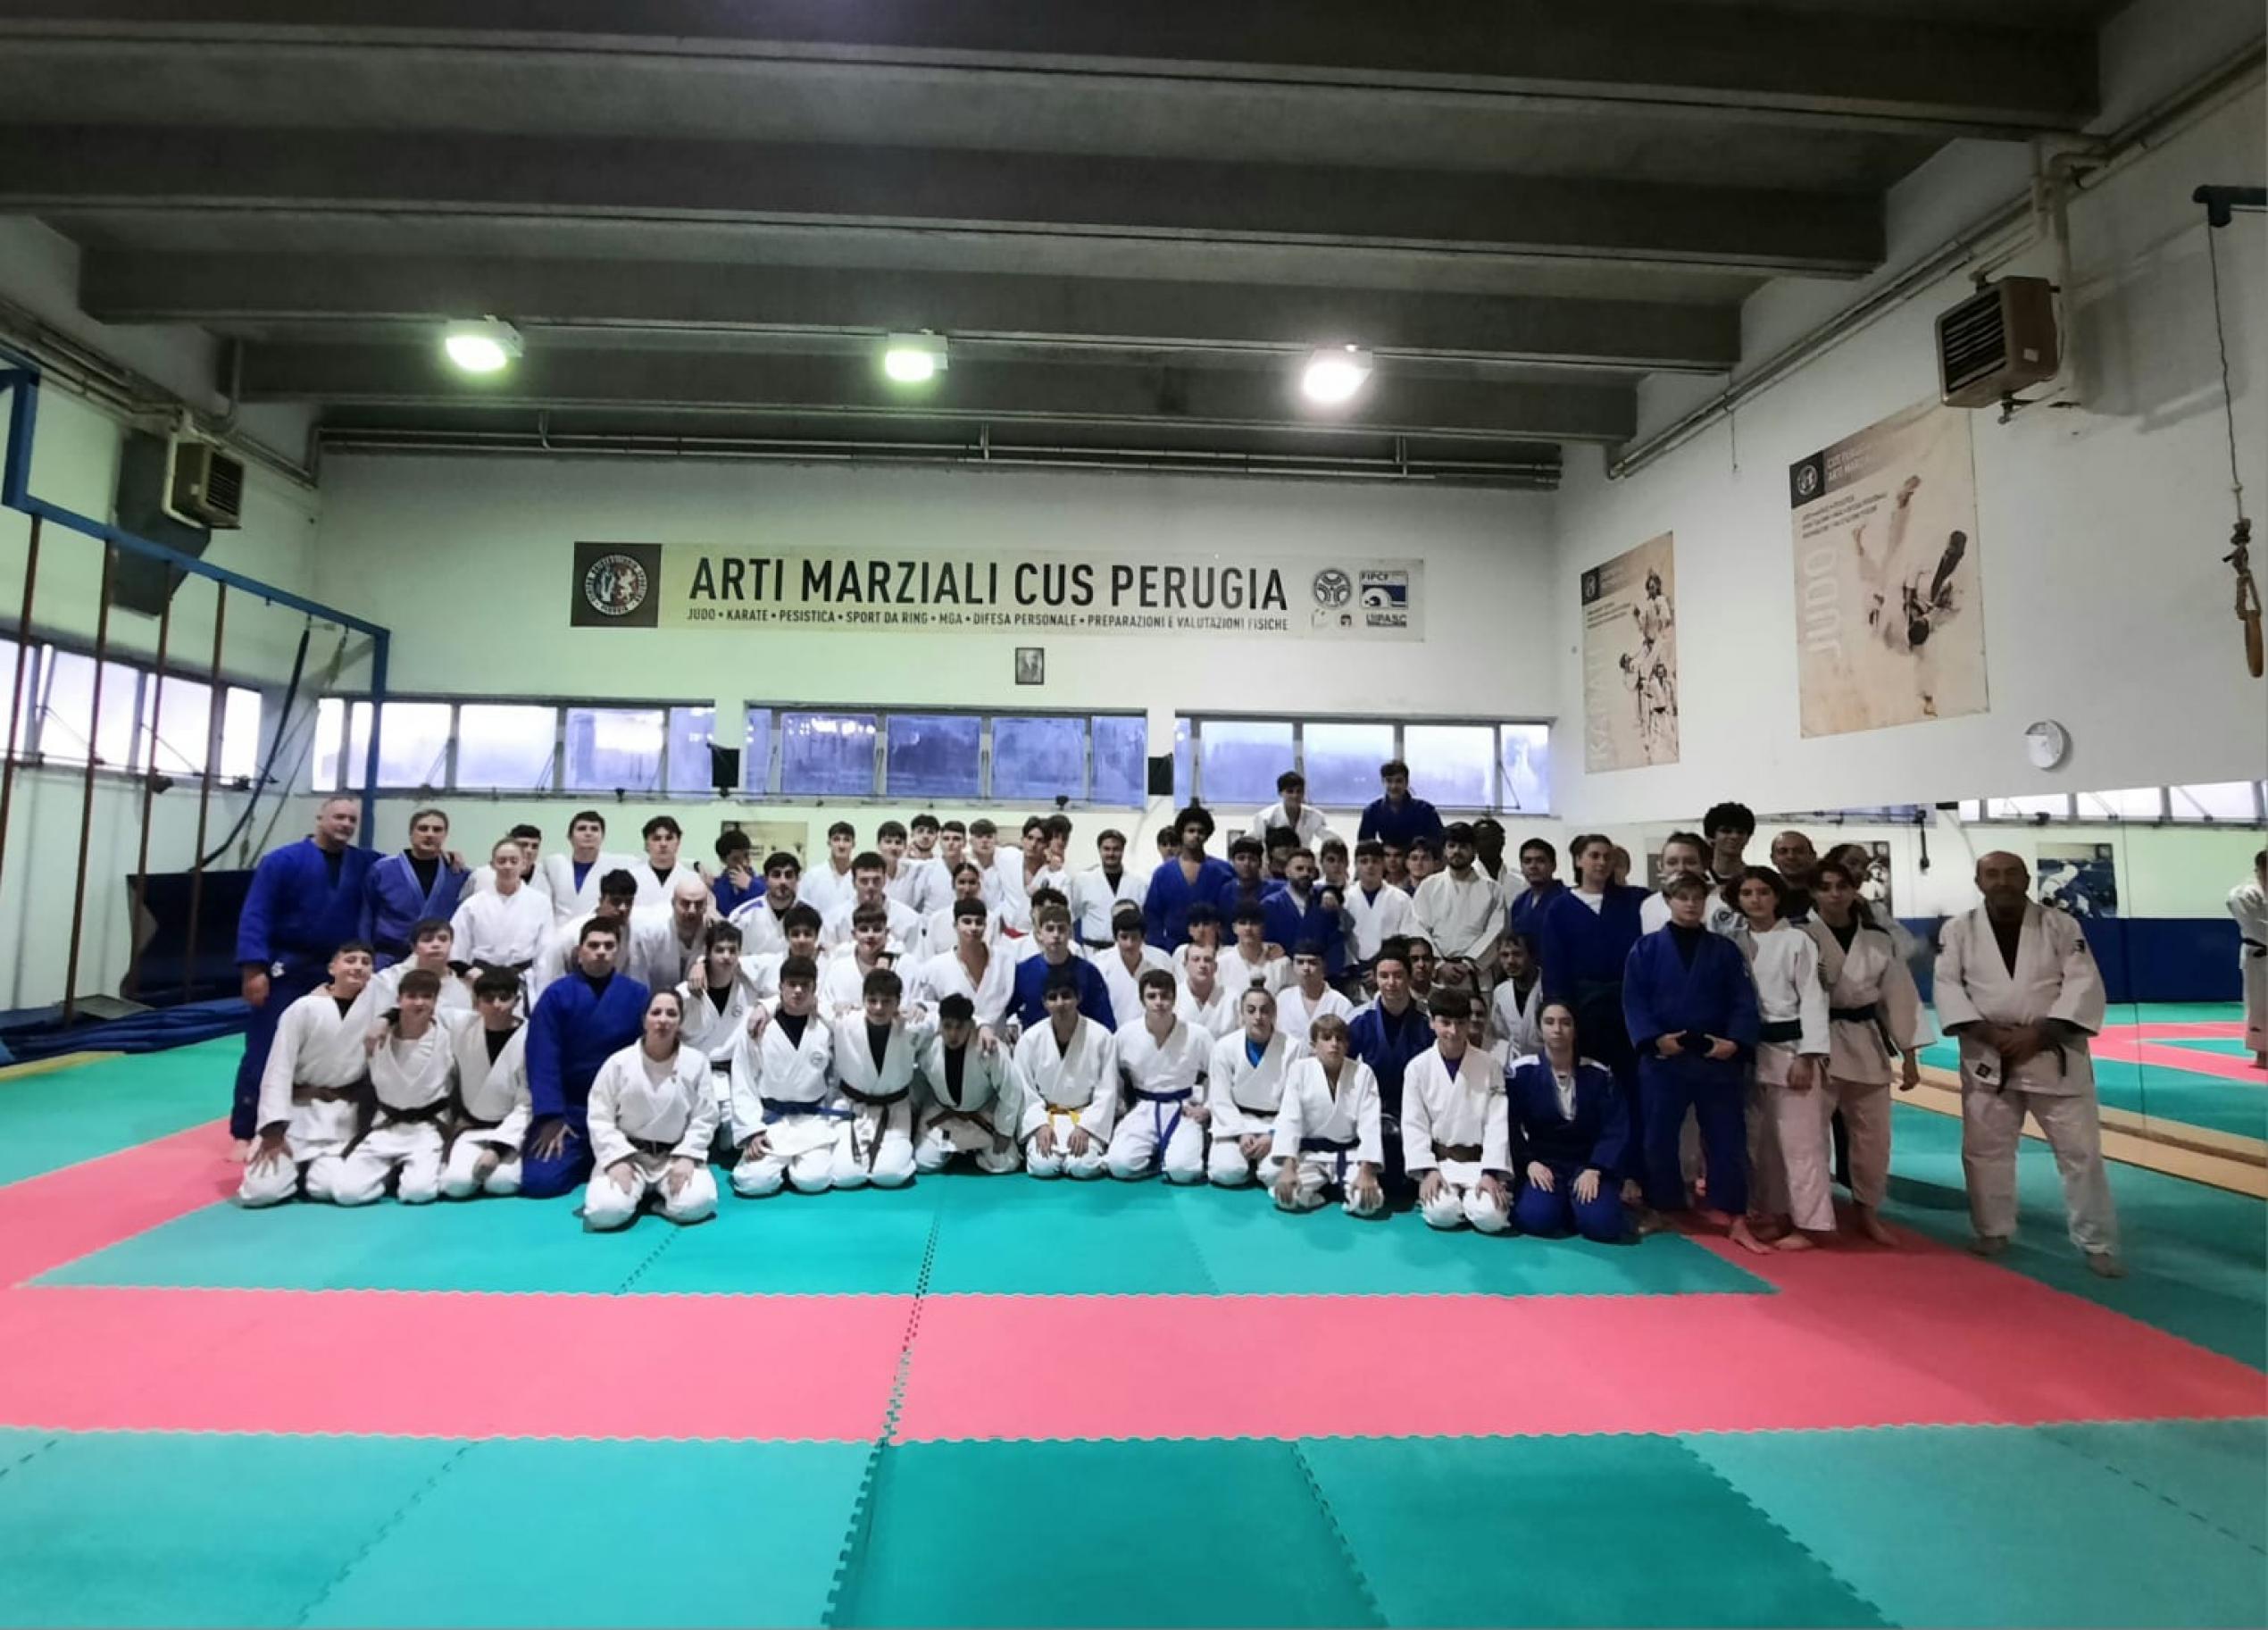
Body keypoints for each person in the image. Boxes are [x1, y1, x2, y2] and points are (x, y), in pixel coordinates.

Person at [1935, 851, 2122, 1276]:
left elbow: (2082, 982)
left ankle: (2097, 1242)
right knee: (1985, 1150)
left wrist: (2041, 1033)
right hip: (1988, 1051)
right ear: (1979, 882)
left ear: (2026, 879)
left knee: (2081, 1153)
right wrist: (1986, 1032)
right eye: (1992, 874)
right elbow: (1947, 985)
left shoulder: (2061, 925)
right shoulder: (1959, 929)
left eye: (2011, 873)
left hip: (2052, 1050)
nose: (2002, 881)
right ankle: (1992, 1229)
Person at [1623, 873, 1762, 1250]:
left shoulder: (1725, 950)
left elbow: (1742, 1000)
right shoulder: (1645, 949)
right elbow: (1634, 1000)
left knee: (1727, 1138)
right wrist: (1653, 1039)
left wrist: (1735, 1043)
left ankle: (1735, 1215)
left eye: (1696, 898)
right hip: (1664, 1058)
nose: (1689, 904)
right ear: (1668, 900)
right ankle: (1661, 1207)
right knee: (1657, 1138)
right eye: (1682, 897)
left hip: (1716, 1058)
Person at [232, 796, 377, 1149]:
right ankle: (246, 1129)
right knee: (266, 1045)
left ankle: (323, 1119)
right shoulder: (282, 861)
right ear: (320, 816)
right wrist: (253, 968)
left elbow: (410, 865)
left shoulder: (363, 862)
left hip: (340, 969)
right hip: (288, 966)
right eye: (339, 817)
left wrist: (449, 859)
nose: (345, 824)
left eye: (351, 819)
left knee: (338, 1047)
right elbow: (256, 913)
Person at [1804, 858, 1930, 1246]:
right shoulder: (1800, 935)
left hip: (1865, 1041)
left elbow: (1899, 998)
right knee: (1809, 1136)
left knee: (1873, 1137)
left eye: (1842, 886)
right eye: (1825, 887)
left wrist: (1910, 1055)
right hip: (1815, 1042)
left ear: (1854, 890)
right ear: (1813, 893)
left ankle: (1868, 1210)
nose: (1834, 894)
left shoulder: (1878, 939)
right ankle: (1812, 1216)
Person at [1537, 834, 1650, 1187]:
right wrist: (1559, 1016)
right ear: (1578, 860)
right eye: (1594, 856)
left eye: (1607, 857)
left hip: (1628, 1011)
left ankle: (1632, 1174)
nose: (1601, 863)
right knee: (1589, 1091)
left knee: (1632, 1093)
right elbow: (1554, 967)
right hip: (1582, 1012)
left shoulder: (1635, 901)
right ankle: (1588, 1171)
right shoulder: (1560, 907)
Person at [1730, 867, 1830, 1250]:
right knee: (1763, 1145)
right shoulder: (1734, 942)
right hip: (1752, 1052)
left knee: (1801, 1144)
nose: (1755, 899)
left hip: (1792, 1050)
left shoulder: (1798, 940)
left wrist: (1808, 1055)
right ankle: (1775, 1214)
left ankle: (1811, 1225)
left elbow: (1814, 998)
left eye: (1763, 892)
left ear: (1777, 897)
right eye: (1747, 893)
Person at [238, 940, 379, 1207]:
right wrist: (273, 1128)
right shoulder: (304, 1008)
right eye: (350, 960)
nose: (358, 967)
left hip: (341, 1117)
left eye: (366, 962)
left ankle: (305, 1174)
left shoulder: (374, 1007)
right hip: (296, 1115)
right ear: (332, 968)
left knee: (329, 1189)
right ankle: (291, 1169)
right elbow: (278, 1068)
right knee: (259, 1194)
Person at [521, 917, 652, 1199]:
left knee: (642, 1180)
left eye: (608, 946)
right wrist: (551, 1115)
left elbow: (650, 1055)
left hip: (622, 1112)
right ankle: (587, 1157)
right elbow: (542, 1058)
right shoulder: (556, 996)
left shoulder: (637, 995)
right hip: (572, 1112)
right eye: (593, 945)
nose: (601, 952)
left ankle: (600, 1158)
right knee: (540, 1182)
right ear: (579, 951)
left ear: (618, 951)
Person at [580, 988, 719, 1231]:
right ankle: (633, 1194)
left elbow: (705, 1117)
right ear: (644, 1020)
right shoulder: (619, 1063)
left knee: (699, 1203)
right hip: (630, 1155)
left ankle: (660, 1206)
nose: (663, 1020)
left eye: (671, 1014)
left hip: (674, 1156)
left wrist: (688, 1155)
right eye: (656, 1013)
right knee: (604, 1213)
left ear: (680, 1022)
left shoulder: (696, 1063)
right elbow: (600, 1116)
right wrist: (616, 1159)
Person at [326, 966, 454, 1205]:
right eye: (412, 996)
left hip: (427, 1128)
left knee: (418, 1193)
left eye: (426, 997)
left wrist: (387, 1017)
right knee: (347, 1194)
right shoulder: (375, 1037)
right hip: (386, 1125)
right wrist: (386, 1018)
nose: (419, 1003)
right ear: (399, 1000)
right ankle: (391, 1175)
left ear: (436, 1002)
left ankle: (403, 1173)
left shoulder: (448, 1035)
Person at [1507, 1002, 1630, 1242]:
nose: (1557, 1029)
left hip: (1586, 1162)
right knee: (1535, 1219)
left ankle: (1577, 1206)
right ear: (1539, 1029)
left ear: (1575, 1029)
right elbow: (1509, 1124)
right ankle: (1563, 1205)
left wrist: (1596, 1168)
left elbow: (1615, 1127)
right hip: (1543, 1163)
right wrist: (1529, 1162)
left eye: (1565, 1023)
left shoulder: (1598, 1074)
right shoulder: (1521, 1072)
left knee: (1604, 1225)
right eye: (1549, 1022)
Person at [725, 955, 844, 1198]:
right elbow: (743, 1081)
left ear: (815, 989)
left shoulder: (826, 1027)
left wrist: (831, 1116)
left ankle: (791, 1167)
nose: (798, 991)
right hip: (771, 1120)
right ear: (780, 987)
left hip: (811, 1120)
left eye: (805, 985)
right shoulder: (758, 1027)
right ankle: (782, 1165)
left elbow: (837, 1077)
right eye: (792, 984)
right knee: (752, 1182)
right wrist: (752, 1130)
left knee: (815, 1181)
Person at [1401, 989, 1512, 1233]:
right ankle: (1456, 1203)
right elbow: (1413, 1123)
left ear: (1469, 1024)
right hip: (1440, 1163)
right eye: (1445, 1023)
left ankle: (1473, 1202)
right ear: (1432, 1022)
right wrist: (1428, 1170)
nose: (1453, 1031)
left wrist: (1490, 1172)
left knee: (1491, 1218)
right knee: (1442, 1213)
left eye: (1460, 1023)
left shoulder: (1489, 1065)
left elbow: (1497, 1122)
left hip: (1479, 1162)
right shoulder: (1417, 1068)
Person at [1271, 1014, 1385, 1216]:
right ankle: (1325, 1193)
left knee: (1368, 1204)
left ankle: (1343, 1190)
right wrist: (1288, 1167)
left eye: (1340, 1039)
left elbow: (1370, 1125)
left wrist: (1366, 1171)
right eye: (1326, 1038)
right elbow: (1290, 1119)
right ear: (1314, 1045)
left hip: (1350, 1155)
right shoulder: (1300, 1070)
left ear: (1347, 1045)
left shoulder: (1363, 1072)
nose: (1334, 1044)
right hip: (1311, 1156)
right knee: (1286, 1198)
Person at [1106, 968, 1213, 1182]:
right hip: (1143, 1108)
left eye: (1165, 996)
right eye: (1152, 996)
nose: (1159, 1002)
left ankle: (1186, 1150)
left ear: (1174, 998)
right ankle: (1155, 1158)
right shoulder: (1126, 1034)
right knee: (1120, 1165)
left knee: (1183, 1171)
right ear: (1142, 1000)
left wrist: (1208, 1108)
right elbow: (1110, 1077)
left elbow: (1218, 1075)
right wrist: (1119, 1108)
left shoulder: (1198, 1035)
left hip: (1183, 1108)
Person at [821, 967, 921, 1190]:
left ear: (898, 1003)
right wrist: (765, 1007)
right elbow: (807, 1003)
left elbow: (950, 1015)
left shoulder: (911, 1026)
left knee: (890, 1175)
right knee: (845, 1176)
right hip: (851, 1106)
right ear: (863, 1000)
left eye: (886, 1002)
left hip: (894, 1110)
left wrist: (982, 1026)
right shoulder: (845, 1020)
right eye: (872, 1000)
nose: (878, 1008)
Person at [1014, 965, 1118, 1179]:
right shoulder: (1030, 1039)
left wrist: (1087, 1127)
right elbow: (1025, 1090)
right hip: (1048, 1117)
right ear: (1044, 1002)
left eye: (1066, 996)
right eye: (1053, 998)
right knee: (1044, 1167)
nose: (1060, 1003)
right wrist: (1039, 1125)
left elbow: (1107, 1091)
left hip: (1085, 1116)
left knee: (1082, 1167)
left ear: (1079, 998)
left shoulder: (1101, 1037)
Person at [1348, 940, 1430, 1205]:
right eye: (1384, 976)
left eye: (1398, 975)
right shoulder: (1360, 1021)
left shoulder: (1426, 1024)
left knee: (1402, 1189)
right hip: (1370, 1113)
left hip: (1415, 1114)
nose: (1391, 983)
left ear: (1409, 977)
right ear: (1375, 978)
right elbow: (1344, 1074)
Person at [1203, 985, 1307, 1187]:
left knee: (1274, 1176)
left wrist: (1273, 1135)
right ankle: (1247, 1165)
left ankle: (1259, 1166)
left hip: (1276, 1123)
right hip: (1236, 1122)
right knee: (1227, 1172)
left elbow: (1295, 1101)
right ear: (1241, 1014)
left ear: (1274, 1014)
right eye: (1251, 1010)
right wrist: (1240, 1132)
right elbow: (1219, 1098)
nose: (1258, 1017)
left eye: (1264, 1010)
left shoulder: (1294, 1048)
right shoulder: (1224, 1047)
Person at [441, 969, 531, 1200]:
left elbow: (527, 1103)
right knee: (456, 1186)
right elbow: (420, 1007)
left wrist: (497, 1149)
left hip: (511, 1131)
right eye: (488, 999)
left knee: (502, 1183)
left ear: (517, 1001)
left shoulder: (530, 1036)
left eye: (504, 998)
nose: (496, 1005)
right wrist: (387, 1019)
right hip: (472, 1127)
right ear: (477, 1002)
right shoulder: (462, 1026)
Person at [914, 993, 1023, 1174]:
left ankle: (972, 1152)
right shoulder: (928, 1046)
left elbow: (1010, 1088)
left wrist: (1004, 1131)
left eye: (960, 1027)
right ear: (940, 1024)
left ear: (971, 1025)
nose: (953, 1034)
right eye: (947, 1026)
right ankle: (955, 1151)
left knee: (1007, 1163)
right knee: (923, 1162)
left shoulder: (988, 1048)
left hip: (981, 1115)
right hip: (943, 1115)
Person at [678, 920, 759, 1151]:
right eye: (720, 950)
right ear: (707, 953)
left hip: (733, 1075)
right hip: (692, 1075)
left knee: (730, 1140)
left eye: (732, 950)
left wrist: (766, 1007)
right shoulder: (684, 994)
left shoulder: (749, 989)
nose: (726, 957)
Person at [447, 837, 553, 1007]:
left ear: (524, 864)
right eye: (502, 861)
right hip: (481, 979)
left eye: (514, 861)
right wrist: (468, 972)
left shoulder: (541, 902)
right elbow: (456, 948)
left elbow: (545, 952)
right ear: (493, 865)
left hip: (521, 979)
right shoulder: (473, 904)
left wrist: (543, 991)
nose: (508, 866)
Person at [360, 807, 467, 966]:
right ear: (411, 833)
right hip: (388, 958)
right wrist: (365, 954)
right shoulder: (382, 870)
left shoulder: (457, 873)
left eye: (437, 830)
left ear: (445, 835)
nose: (430, 834)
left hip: (436, 959)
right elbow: (366, 916)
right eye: (423, 829)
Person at [909, 896, 1018, 1030]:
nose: (973, 927)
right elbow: (926, 1004)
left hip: (996, 1038)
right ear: (955, 926)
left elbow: (1015, 1004)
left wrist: (1013, 1024)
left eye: (979, 922)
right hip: (954, 1038)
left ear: (986, 926)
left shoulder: (1005, 960)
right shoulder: (936, 966)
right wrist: (922, 1007)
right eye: (967, 922)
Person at [1413, 822, 1505, 980]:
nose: (1456, 851)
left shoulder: (1492, 889)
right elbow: (1419, 927)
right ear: (1444, 850)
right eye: (1451, 846)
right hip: (1437, 973)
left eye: (1463, 846)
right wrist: (1439, 964)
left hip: (1477, 974)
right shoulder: (1429, 886)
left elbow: (1495, 931)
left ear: (1474, 850)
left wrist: (1468, 963)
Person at [533, 867, 641, 998]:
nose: (623, 908)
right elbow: (549, 975)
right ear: (601, 900)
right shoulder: (571, 933)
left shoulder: (632, 931)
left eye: (628, 902)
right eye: (616, 901)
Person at [1011, 903, 1115, 1032]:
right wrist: (1011, 1025)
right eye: (1050, 929)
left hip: (1081, 1040)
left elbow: (1105, 1020)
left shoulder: (1088, 972)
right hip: (1036, 1042)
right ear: (1039, 934)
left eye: (1061, 929)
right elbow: (1006, 1011)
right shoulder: (1023, 972)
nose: (1056, 934)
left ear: (1070, 932)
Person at [538, 810, 638, 926]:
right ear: (569, 836)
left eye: (594, 829)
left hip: (598, 930)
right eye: (582, 829)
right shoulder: (553, 864)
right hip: (559, 931)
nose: (588, 833)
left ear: (602, 837)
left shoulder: (622, 864)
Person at [821, 852, 925, 953]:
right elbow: (827, 958)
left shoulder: (909, 919)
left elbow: (917, 959)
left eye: (876, 880)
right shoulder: (834, 920)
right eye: (864, 881)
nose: (870, 886)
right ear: (853, 883)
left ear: (884, 880)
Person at [1263, 848, 1345, 974]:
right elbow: (1267, 945)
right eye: (1299, 869)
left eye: (1310, 870)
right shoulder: (1270, 905)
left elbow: (1335, 942)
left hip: (1322, 976)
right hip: (1285, 975)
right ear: (1287, 871)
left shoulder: (1325, 902)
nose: (1305, 873)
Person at [369, 917, 472, 1017]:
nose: (436, 944)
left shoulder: (464, 988)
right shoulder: (389, 980)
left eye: (443, 939)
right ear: (414, 947)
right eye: (427, 940)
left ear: (451, 944)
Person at [1094, 907, 1175, 1029]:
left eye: (1134, 937)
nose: (1129, 944)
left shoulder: (1161, 961)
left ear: (1143, 937)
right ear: (1116, 938)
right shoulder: (1100, 964)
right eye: (1124, 937)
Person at [1345, 840, 1416, 976]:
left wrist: (1380, 968)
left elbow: (1406, 936)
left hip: (1390, 970)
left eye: (1375, 861)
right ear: (1355, 865)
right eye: (1364, 861)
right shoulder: (1345, 899)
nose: (1370, 866)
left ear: (1383, 864)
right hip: (1352, 971)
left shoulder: (1401, 899)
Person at [1072, 828, 1148, 950]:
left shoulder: (1139, 882)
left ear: (1123, 850)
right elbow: (1074, 913)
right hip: (1092, 950)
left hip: (1128, 949)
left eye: (1116, 849)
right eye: (1106, 849)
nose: (1111, 854)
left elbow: (1145, 916)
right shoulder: (1083, 880)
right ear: (1099, 850)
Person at [821, 903, 900, 1019]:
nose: (870, 935)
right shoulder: (838, 968)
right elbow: (823, 1005)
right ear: (854, 934)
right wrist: (834, 1008)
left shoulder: (902, 964)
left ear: (887, 932)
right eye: (864, 929)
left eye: (877, 929)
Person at [1639, 832, 1723, 933]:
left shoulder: (1721, 904)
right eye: (1672, 863)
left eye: (1690, 862)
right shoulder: (1650, 905)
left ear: (1705, 865)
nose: (1681, 868)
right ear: (1661, 866)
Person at [2228, 849, 2267, 1067]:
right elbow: (2256, 927)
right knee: (2259, 1005)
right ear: (2259, 869)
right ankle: (2263, 1054)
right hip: (2258, 957)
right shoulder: (2244, 894)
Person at [728, 852, 805, 957]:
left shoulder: (810, 913)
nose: (783, 881)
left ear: (798, 879)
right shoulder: (742, 915)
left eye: (788, 875)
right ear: (765, 879)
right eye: (776, 875)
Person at [1357, 759, 1444, 850]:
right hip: (1388, 856)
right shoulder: (1372, 811)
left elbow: (1439, 842)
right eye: (1389, 781)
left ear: (1406, 782)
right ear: (1383, 782)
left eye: (1399, 781)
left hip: (1416, 856)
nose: (1394, 786)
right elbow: (1365, 847)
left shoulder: (1426, 810)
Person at [1275, 943, 1354, 1044]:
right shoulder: (1282, 998)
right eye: (1300, 962)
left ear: (1324, 966)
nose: (1306, 968)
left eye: (1312, 963)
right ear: (1293, 966)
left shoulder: (1341, 1003)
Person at [876, 819, 949, 919]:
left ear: (905, 846)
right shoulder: (869, 871)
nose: (893, 847)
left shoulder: (912, 868)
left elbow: (937, 863)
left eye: (898, 843)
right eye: (888, 842)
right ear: (878, 844)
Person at [1216, 902, 1289, 998]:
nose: (1248, 928)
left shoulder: (1281, 964)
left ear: (1263, 928)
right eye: (1243, 923)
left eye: (1254, 923)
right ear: (1234, 928)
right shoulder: (1220, 964)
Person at [1248, 769, 1336, 848]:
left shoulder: (1314, 816)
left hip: (1302, 858)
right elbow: (1253, 844)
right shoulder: (1265, 817)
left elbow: (1332, 839)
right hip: (1273, 860)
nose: (1295, 796)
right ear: (1280, 793)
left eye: (1299, 791)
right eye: (1290, 791)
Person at [467, 824, 549, 907]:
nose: (529, 850)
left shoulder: (545, 879)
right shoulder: (482, 875)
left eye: (535, 846)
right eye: (524, 845)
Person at [1489, 933, 1543, 1058]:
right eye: (1505, 955)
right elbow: (1500, 1036)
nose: (1510, 961)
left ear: (1532, 955)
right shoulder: (1500, 992)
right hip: (1515, 1062)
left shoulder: (1551, 987)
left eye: (1517, 954)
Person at [1174, 940, 1239, 1038]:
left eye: (1207, 960)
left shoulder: (1233, 998)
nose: (1202, 965)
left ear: (1216, 967)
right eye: (1196, 959)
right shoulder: (1173, 997)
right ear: (1185, 965)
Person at [800, 821, 859, 920]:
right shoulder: (813, 876)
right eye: (836, 839)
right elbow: (802, 908)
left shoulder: (861, 877)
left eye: (846, 840)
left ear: (853, 844)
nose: (841, 845)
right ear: (829, 843)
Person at [1505, 839, 1563, 940]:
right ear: (1521, 867)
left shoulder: (1566, 900)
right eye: (1527, 861)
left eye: (1540, 861)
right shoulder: (1520, 902)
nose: (1533, 866)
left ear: (1553, 866)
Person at [1768, 831, 1819, 923]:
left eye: (1799, 851)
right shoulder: (1764, 894)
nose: (1791, 857)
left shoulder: (1827, 893)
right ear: (1773, 858)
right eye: (1783, 852)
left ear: (1813, 856)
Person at [1217, 835, 1272, 920]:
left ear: (1260, 863)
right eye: (1241, 858)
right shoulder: (1225, 891)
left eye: (1252, 859)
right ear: (1233, 862)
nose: (1246, 863)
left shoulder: (1274, 890)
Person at [1702, 802, 1756, 886]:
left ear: (1748, 838)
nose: (1735, 836)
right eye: (1726, 831)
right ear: (1710, 837)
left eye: (1740, 832)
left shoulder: (1757, 880)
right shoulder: (1698, 880)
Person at [711, 830, 761, 918]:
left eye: (746, 855)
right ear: (723, 860)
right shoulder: (716, 889)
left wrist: (751, 886)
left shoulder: (764, 883)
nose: (744, 863)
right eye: (736, 859)